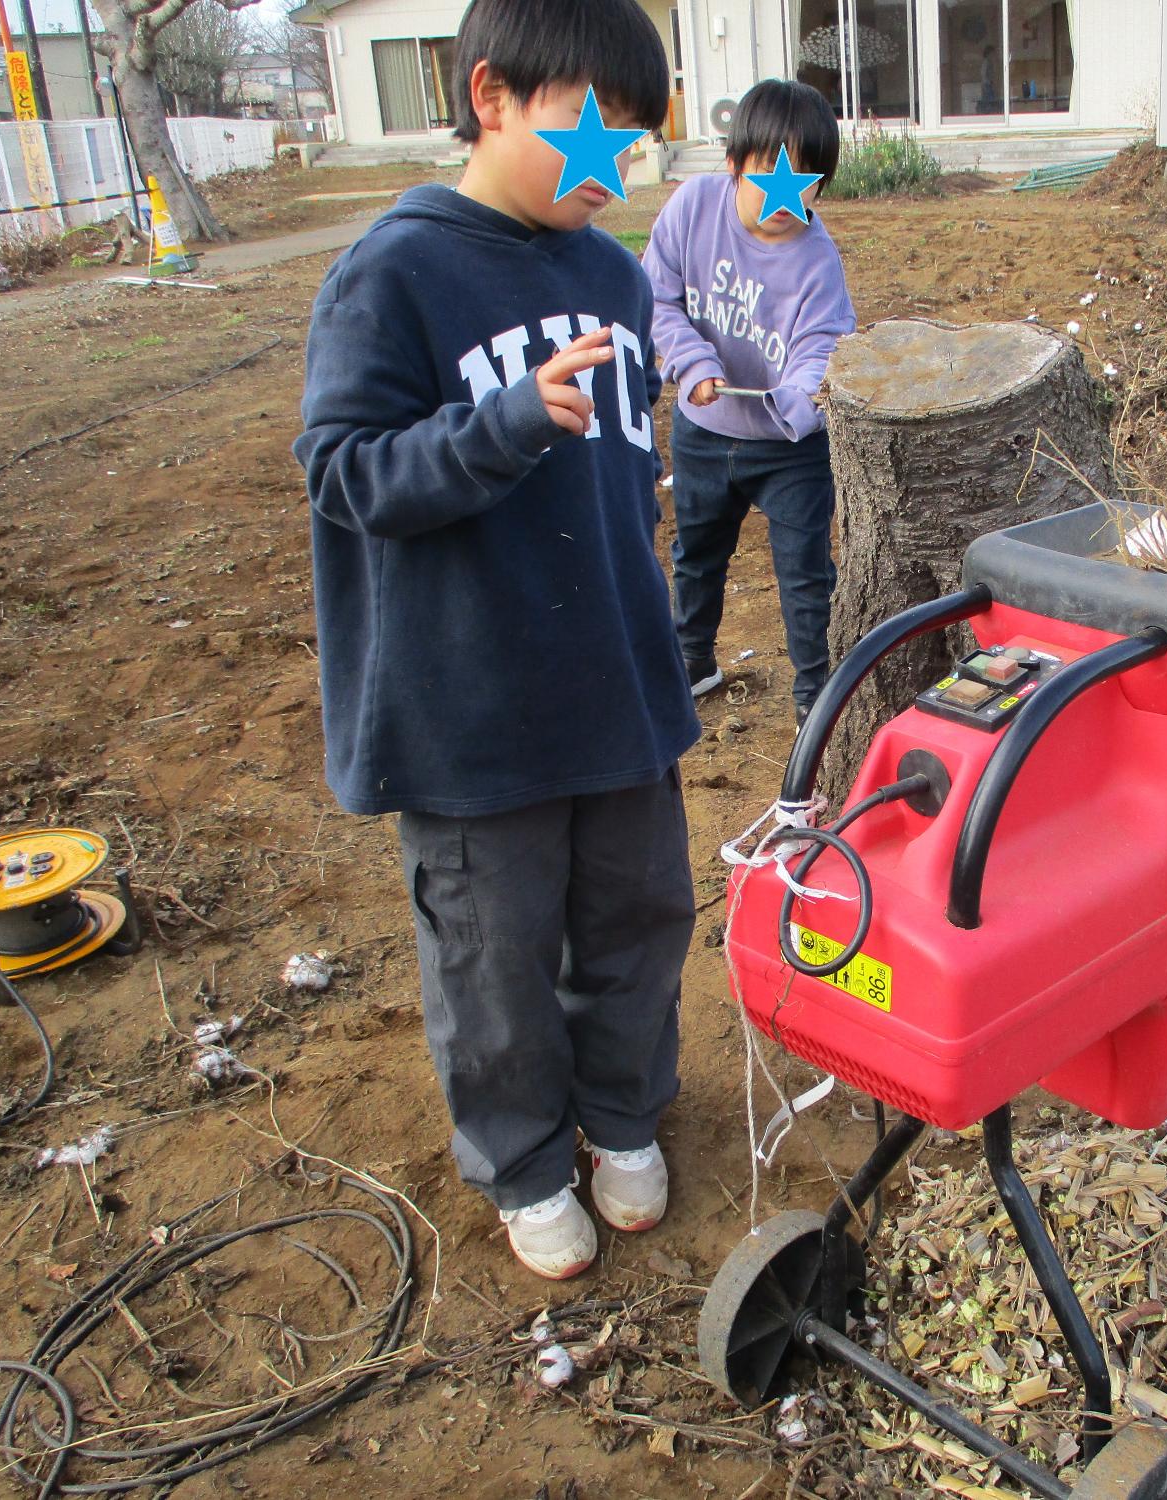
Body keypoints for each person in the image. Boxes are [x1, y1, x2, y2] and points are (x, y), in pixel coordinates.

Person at [293, 0, 698, 1282]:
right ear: (492, 95)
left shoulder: (614, 273)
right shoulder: (396, 272)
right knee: (493, 953)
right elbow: (344, 471)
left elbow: (626, 469)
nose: (609, 166)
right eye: (587, 126)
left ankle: (624, 1118)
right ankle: (524, 1160)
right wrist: (503, 424)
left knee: (637, 916)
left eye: (629, 142)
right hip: (471, 701)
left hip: (617, 682)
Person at [642, 79, 857, 726]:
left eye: (806, 175)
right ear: (735, 163)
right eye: (769, 170)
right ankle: (693, 662)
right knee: (697, 553)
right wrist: (693, 362)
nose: (786, 193)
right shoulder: (692, 208)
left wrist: (797, 401)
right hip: (703, 430)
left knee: (804, 574)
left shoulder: (818, 263)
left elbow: (822, 349)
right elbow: (655, 296)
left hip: (791, 451)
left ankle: (815, 698)